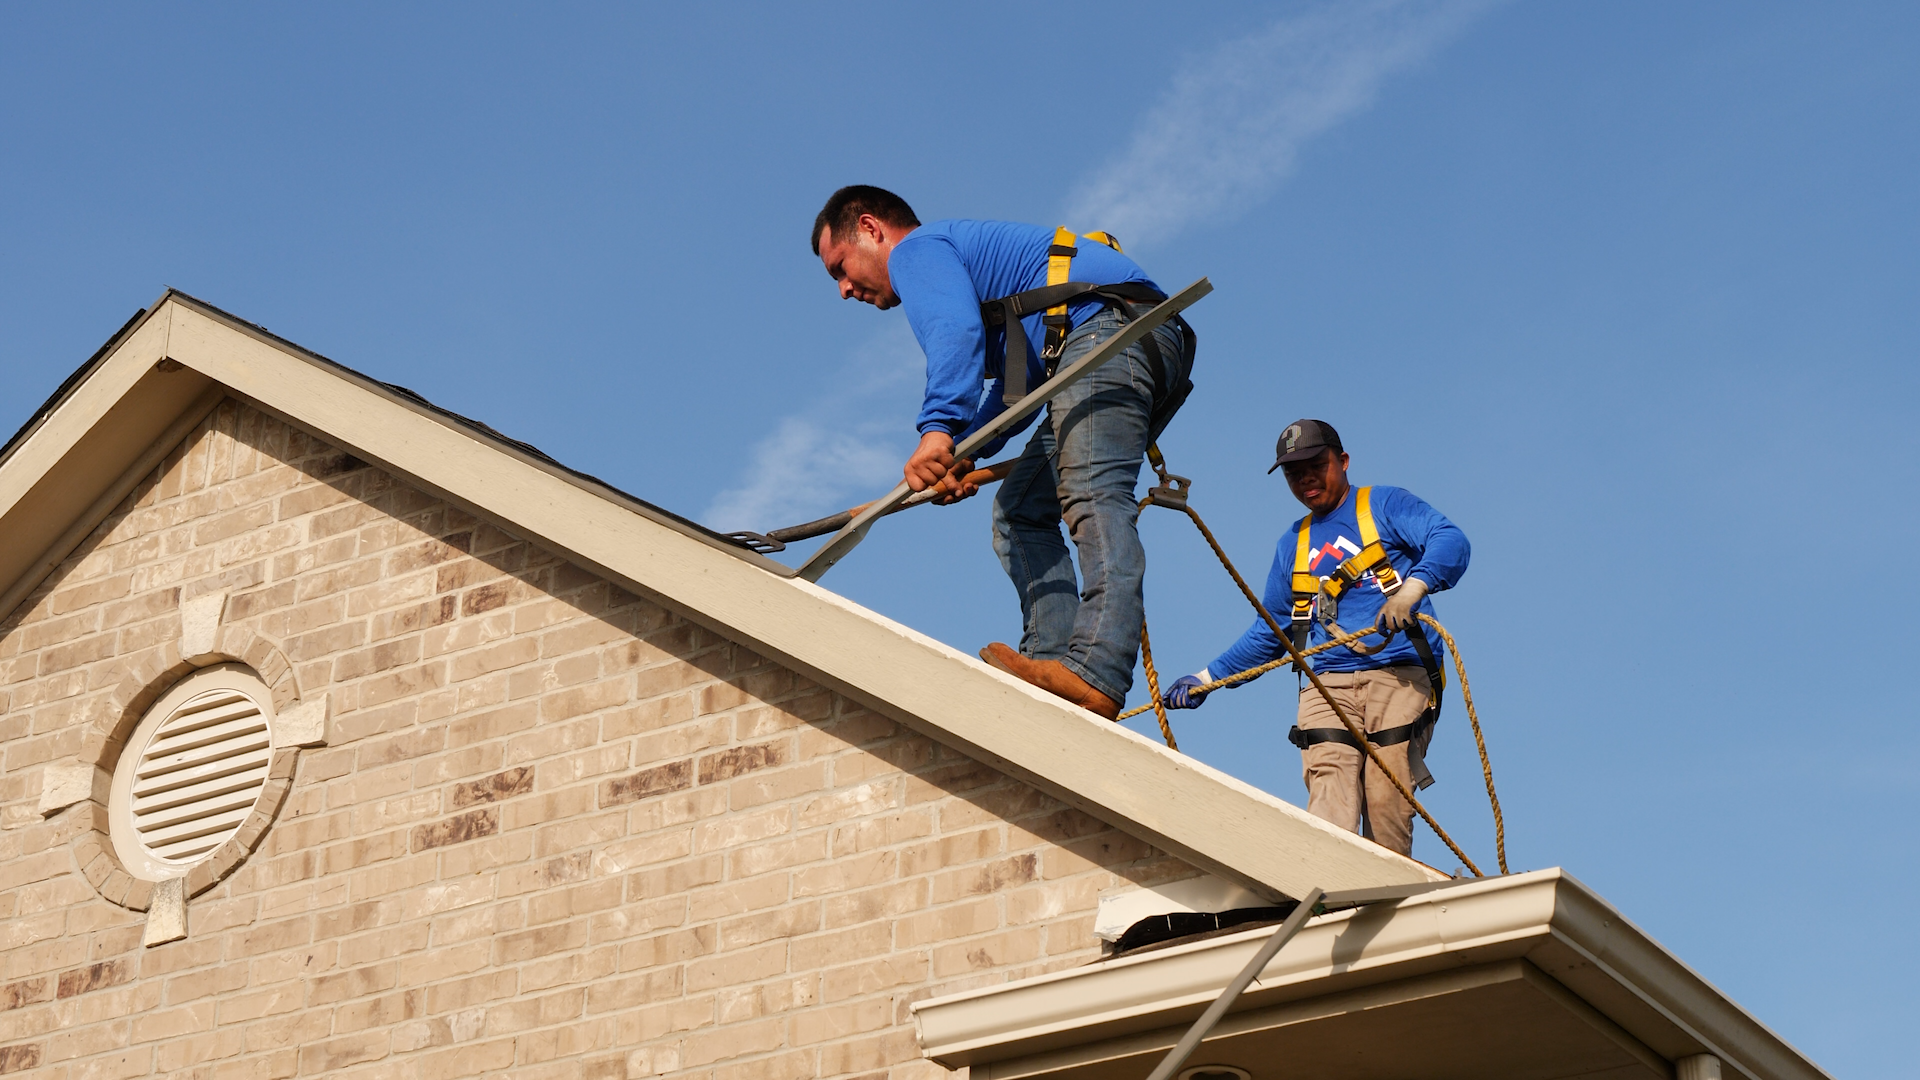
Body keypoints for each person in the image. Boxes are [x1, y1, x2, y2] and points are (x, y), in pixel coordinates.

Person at [811, 185, 1195, 719]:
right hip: (1120, 346)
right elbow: (1019, 386)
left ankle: (1097, 669)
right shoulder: (1008, 285)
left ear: (872, 229)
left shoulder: (917, 252)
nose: (845, 290)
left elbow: (955, 331)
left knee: (1092, 493)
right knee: (1018, 512)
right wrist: (967, 451)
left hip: (1113, 335)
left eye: (841, 268)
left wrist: (939, 431)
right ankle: (1052, 664)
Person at [1159, 420, 1469, 856]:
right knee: (1330, 797)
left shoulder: (1383, 505)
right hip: (1328, 682)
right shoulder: (1294, 544)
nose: (1304, 478)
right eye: (1292, 472)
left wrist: (1413, 588)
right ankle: (1336, 892)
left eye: (1314, 465)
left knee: (1386, 800)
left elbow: (1449, 539)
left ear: (1342, 461)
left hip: (1397, 673)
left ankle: (1390, 898)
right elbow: (1274, 630)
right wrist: (1208, 677)